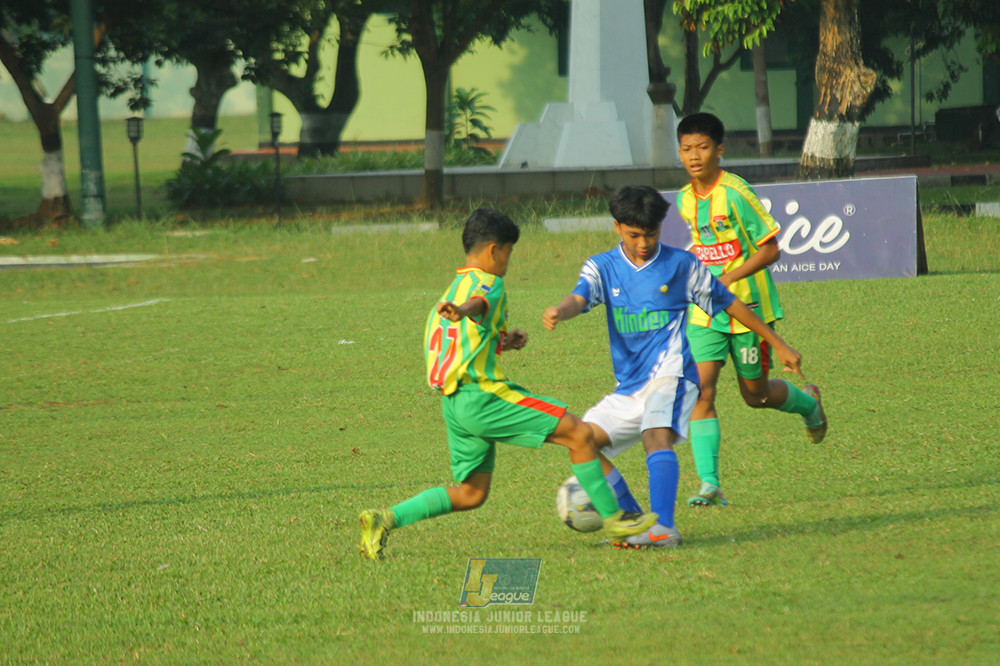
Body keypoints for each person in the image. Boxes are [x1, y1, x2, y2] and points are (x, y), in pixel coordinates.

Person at [358, 207, 658, 559]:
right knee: (579, 433)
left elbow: (464, 335)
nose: (507, 263)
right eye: (508, 253)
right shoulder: (488, 282)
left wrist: (502, 341)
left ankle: (385, 518)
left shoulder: (453, 287)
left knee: (472, 493)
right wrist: (465, 310)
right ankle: (615, 519)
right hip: (482, 397)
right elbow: (479, 303)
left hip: (454, 405)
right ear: (494, 250)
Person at [543, 186, 806, 548]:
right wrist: (561, 310)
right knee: (583, 440)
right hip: (629, 387)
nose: (644, 243)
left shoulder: (682, 265)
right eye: (634, 235)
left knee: (656, 435)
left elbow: (729, 302)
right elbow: (580, 296)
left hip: (674, 374)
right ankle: (636, 524)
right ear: (617, 227)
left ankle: (664, 528)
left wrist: (778, 343)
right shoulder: (602, 266)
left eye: (651, 233)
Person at [675, 112, 828, 508]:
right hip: (705, 312)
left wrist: (729, 277)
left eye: (703, 147)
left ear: (720, 150)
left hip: (750, 309)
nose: (695, 156)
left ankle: (808, 403)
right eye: (687, 149)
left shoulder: (736, 193)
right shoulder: (685, 199)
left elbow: (771, 249)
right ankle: (710, 486)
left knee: (755, 396)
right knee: (700, 392)